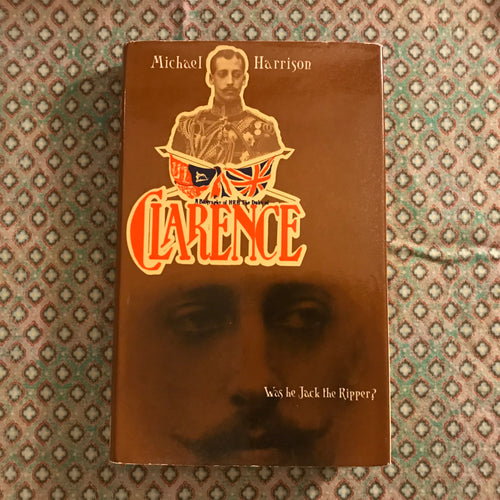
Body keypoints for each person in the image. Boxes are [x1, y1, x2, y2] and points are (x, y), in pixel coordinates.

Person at [168, 46, 285, 166]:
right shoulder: (187, 128)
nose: (230, 81)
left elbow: (272, 176)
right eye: (222, 74)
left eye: (236, 75)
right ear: (211, 79)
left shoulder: (264, 130)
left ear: (244, 79)